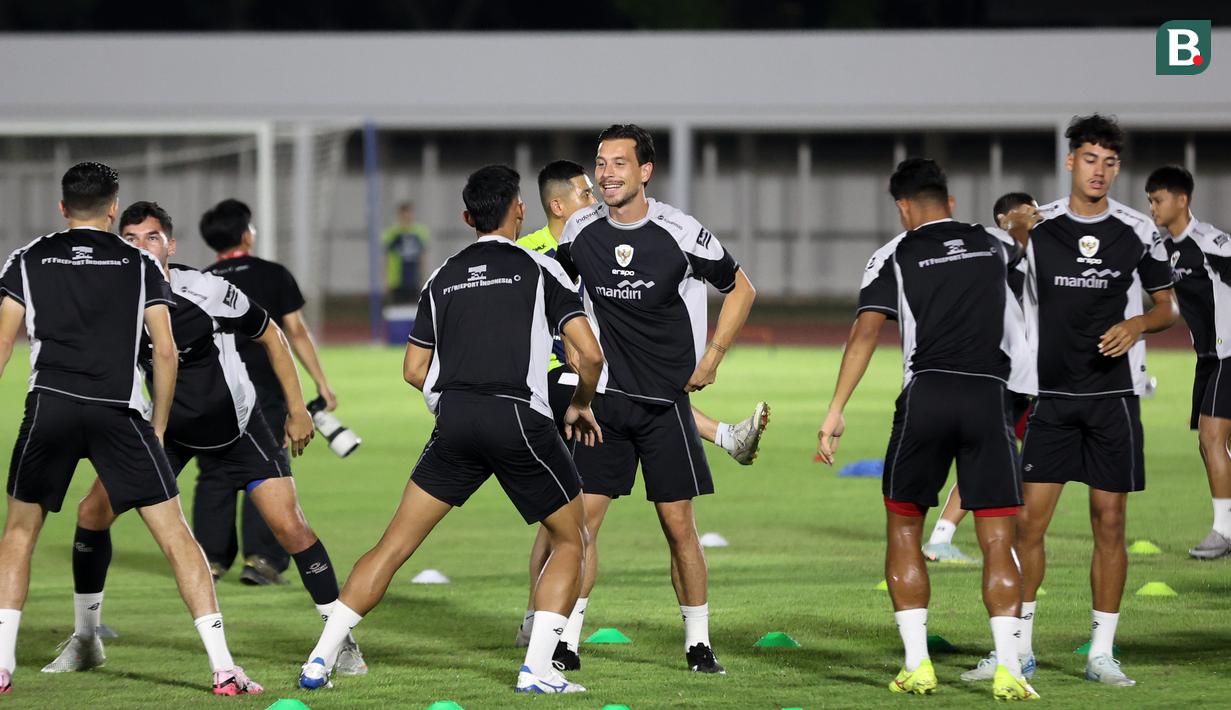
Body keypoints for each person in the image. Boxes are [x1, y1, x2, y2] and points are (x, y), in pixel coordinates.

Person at [298, 165, 604, 694]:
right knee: (570, 538)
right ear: (519, 209)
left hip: (456, 422)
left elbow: (413, 370)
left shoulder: (441, 277)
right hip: (518, 417)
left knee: (393, 545)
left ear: (467, 218)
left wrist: (456, 402)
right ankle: (536, 670)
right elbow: (591, 356)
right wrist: (579, 403)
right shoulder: (540, 269)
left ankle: (319, 661)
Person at [40, 201, 366, 677]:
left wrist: (297, 409)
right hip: (165, 430)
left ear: (170, 246)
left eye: (152, 237)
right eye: (129, 239)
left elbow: (272, 335)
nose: (141, 247)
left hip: (237, 427)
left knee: (290, 528)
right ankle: (86, 639)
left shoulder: (206, 290)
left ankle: (342, 641)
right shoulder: (106, 301)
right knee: (92, 512)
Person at [0, 163, 261, 696]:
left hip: (49, 407)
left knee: (20, 534)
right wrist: (158, 426)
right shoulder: (138, 261)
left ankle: (2, 664)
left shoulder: (26, 258)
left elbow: (3, 342)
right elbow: (166, 351)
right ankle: (223, 668)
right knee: (177, 537)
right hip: (117, 413)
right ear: (113, 207)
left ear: (62, 206)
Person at [513, 160, 771, 660]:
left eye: (617, 164)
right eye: (599, 166)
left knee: (679, 528)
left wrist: (713, 356)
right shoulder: (577, 234)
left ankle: (698, 644)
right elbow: (548, 296)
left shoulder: (678, 230)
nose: (604, 177)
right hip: (601, 403)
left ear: (644, 170)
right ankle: (562, 642)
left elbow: (741, 286)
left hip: (662, 404)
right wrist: (569, 341)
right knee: (577, 528)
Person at [963, 114, 1179, 687]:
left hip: (1113, 399)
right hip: (1052, 399)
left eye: (1109, 162)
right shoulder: (1042, 226)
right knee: (1028, 526)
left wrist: (1136, 324)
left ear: (1117, 168)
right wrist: (1011, 224)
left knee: (1110, 522)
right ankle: (1019, 650)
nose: (1099, 171)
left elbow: (1167, 307)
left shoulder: (1138, 230)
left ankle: (1101, 654)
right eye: (1089, 159)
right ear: (1070, 162)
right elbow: (997, 250)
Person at [816, 158, 1038, 700]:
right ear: (950, 202)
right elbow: (1028, 239)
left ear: (902, 207)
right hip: (990, 396)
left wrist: (836, 409)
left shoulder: (893, 253)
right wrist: (1021, 222)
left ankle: (918, 665)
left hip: (927, 396)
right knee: (998, 537)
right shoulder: (993, 243)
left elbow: (865, 333)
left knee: (904, 527)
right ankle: (1010, 667)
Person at [197, 199, 340, 586]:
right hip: (263, 388)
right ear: (246, 234)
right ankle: (262, 559)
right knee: (266, 468)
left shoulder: (201, 281)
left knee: (213, 471)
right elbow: (295, 331)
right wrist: (321, 382)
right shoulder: (273, 274)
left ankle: (210, 560)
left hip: (213, 390)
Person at [922, 191, 1037, 565]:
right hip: (1008, 377)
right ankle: (1007, 550)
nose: (1036, 218)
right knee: (1004, 461)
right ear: (1005, 219)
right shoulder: (996, 254)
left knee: (1003, 460)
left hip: (1021, 378)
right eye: (1029, 212)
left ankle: (943, 537)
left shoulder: (1023, 256)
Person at [1145, 165, 1231, 559]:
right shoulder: (1165, 250)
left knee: (1211, 440)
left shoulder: (1210, 242)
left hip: (1228, 353)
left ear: (1182, 200)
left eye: (1158, 200)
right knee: (1212, 445)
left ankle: (1223, 532)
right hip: (1208, 358)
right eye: (1149, 201)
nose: (1153, 207)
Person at [384, 201, 431, 303]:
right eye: (403, 214)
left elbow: (423, 256)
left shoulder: (419, 232)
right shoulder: (392, 233)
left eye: (408, 213)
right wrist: (386, 281)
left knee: (414, 307)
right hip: (397, 279)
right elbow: (387, 257)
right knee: (398, 307)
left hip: (414, 278)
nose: (406, 217)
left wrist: (424, 277)